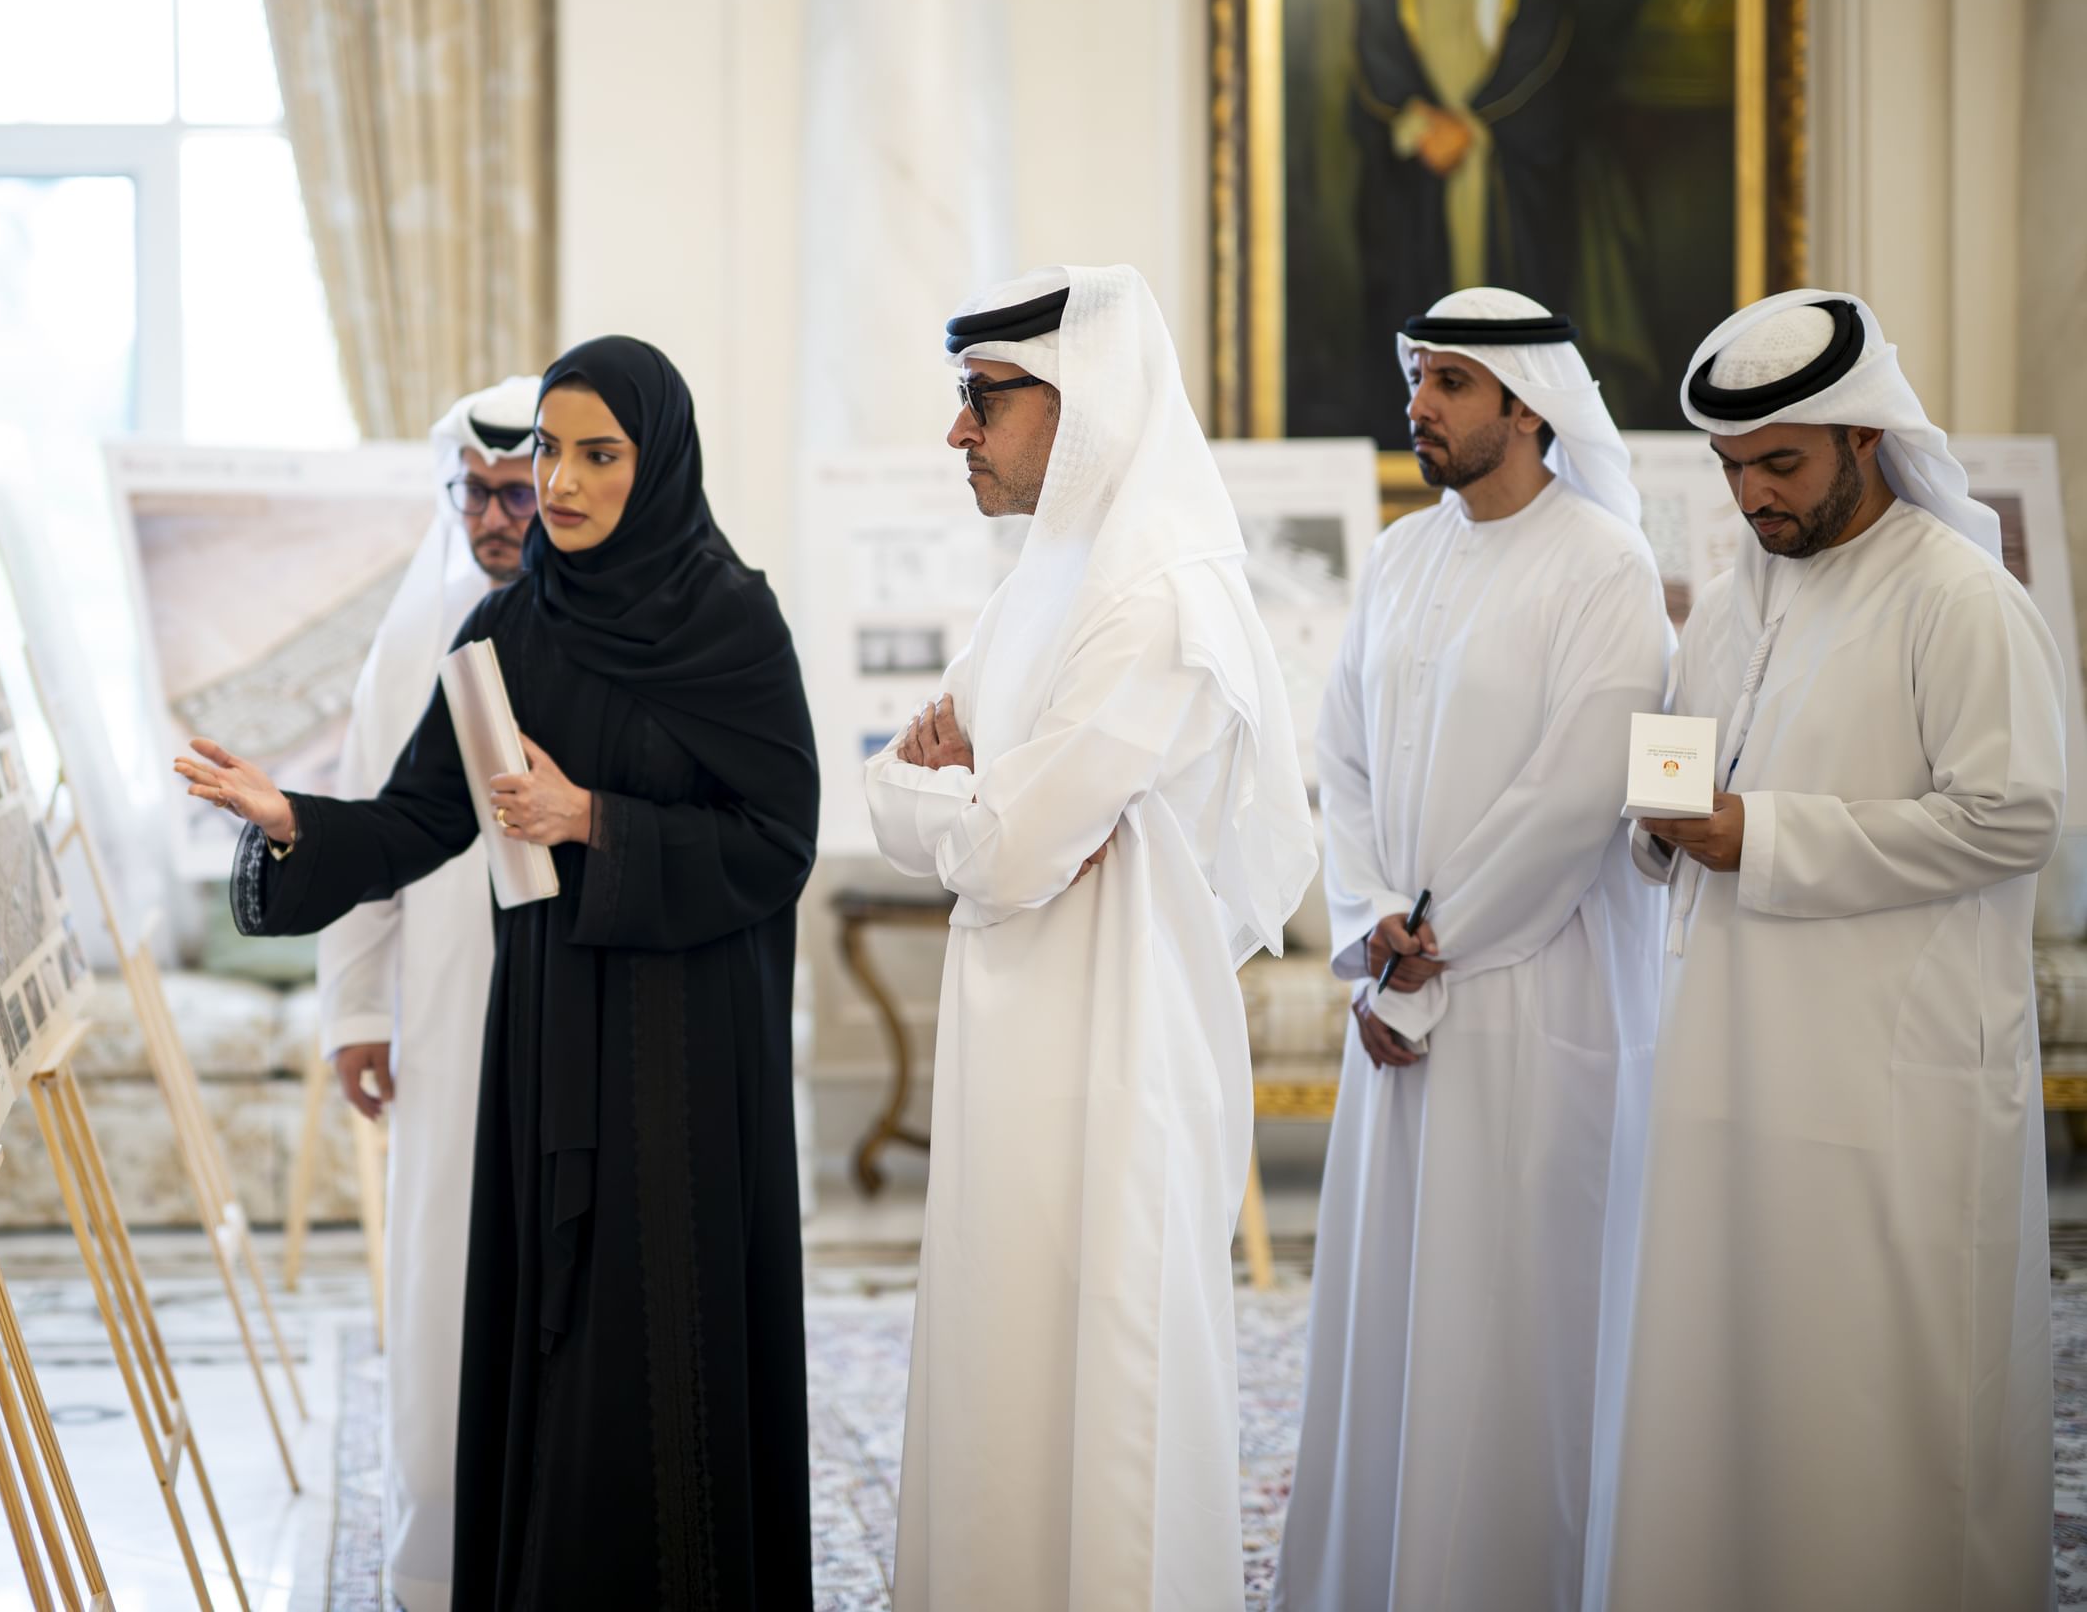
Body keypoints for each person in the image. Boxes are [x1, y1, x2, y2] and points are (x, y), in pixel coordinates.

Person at [176, 338, 819, 1612]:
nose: (560, 483)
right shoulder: (510, 627)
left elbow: (778, 840)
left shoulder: (731, 621)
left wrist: (594, 820)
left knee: (666, 1332)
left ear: (658, 462)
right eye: (549, 452)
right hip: (551, 1034)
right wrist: (294, 819)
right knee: (558, 1331)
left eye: (597, 454)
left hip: (685, 1050)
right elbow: (421, 816)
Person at [1585, 290, 2066, 1612]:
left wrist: (1764, 835)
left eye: (1781, 464)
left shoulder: (1957, 598)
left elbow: (2013, 816)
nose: (1753, 497)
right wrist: (1666, 831)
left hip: (1883, 1091)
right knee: (1726, 1381)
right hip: (1725, 1068)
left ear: (1864, 436)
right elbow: (1686, 783)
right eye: (1732, 468)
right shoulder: (1735, 600)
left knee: (1871, 1413)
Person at [864, 265, 1317, 1609]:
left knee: (1110, 1376)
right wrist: (958, 801)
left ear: (1086, 401)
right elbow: (903, 794)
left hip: (1118, 1045)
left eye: (984, 399)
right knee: (1001, 1356)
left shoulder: (1158, 596)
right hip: (1009, 1033)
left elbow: (1006, 846)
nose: (958, 432)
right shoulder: (1046, 578)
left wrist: (957, 799)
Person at [1271, 288, 1670, 1612]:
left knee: (1510, 1326)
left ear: (1526, 405)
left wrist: (1433, 948)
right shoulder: (1400, 556)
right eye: (1417, 378)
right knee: (1393, 1319)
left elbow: (1577, 792)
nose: (1419, 404)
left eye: (1449, 382)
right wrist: (1369, 922)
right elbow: (1340, 757)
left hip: (1528, 1002)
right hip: (1396, 998)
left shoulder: (1603, 565)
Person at [312, 374, 540, 1612]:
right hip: (448, 1020)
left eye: (517, 494)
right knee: (446, 1262)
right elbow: (363, 831)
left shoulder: (600, 627)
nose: (495, 519)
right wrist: (356, 1010)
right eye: (475, 494)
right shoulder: (415, 638)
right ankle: (446, 1549)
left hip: (577, 999)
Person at [1349, 0, 1580, 447]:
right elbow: (1375, 42)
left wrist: (1476, 123)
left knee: (1514, 301)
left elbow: (1544, 40)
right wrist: (1423, 123)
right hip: (1423, 150)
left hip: (1506, 152)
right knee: (1415, 291)